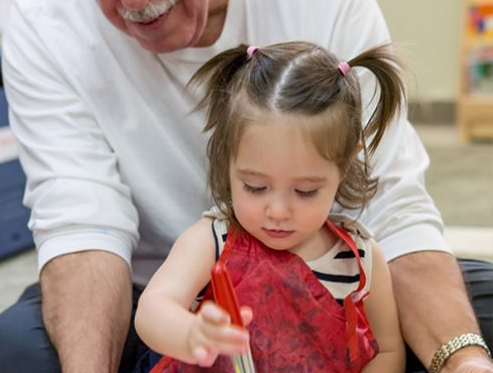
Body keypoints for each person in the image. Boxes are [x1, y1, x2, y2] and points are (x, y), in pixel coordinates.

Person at [0, 0, 491, 372]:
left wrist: (461, 359)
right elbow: (83, 228)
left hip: (326, 300)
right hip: (152, 294)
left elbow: (394, 210)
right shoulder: (44, 29)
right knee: (13, 353)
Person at [134, 41, 407, 373]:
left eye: (305, 191)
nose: (277, 211)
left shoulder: (359, 259)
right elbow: (152, 309)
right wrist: (190, 333)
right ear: (228, 160)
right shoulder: (213, 240)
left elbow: (386, 350)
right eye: (255, 187)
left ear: (345, 165)